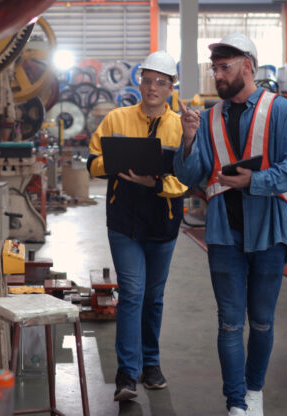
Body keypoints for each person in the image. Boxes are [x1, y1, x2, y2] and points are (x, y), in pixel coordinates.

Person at [173, 33, 287, 416]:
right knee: (230, 324)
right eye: (214, 68)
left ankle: (254, 391)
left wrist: (256, 181)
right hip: (223, 234)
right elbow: (191, 175)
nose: (217, 75)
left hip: (269, 231)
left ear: (247, 66)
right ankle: (235, 403)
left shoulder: (282, 112)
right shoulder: (209, 118)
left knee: (262, 323)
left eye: (224, 67)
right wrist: (187, 141)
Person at [87, 51, 189, 402]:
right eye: (148, 80)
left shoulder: (180, 126)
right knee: (132, 294)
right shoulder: (116, 119)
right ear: (139, 82)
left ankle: (151, 365)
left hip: (163, 222)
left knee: (154, 298)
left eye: (161, 82)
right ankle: (127, 375)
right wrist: (114, 165)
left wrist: (155, 185)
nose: (153, 87)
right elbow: (92, 162)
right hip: (124, 223)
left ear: (171, 87)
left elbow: (189, 179)